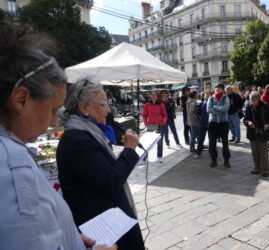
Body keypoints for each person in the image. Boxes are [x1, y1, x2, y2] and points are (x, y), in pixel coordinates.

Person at [0, 21, 115, 250]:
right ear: (22, 99)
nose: (54, 122)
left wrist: (67, 237)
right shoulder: (14, 167)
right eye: (53, 109)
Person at [57, 80, 145, 250]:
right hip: (104, 232)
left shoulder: (90, 134)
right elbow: (111, 181)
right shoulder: (77, 140)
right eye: (103, 104)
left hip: (111, 224)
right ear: (84, 108)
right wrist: (129, 150)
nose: (109, 110)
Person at [244, 91, 269, 177]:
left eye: (254, 100)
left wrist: (268, 124)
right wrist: (249, 122)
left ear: (258, 99)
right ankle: (257, 168)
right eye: (251, 100)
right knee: (255, 152)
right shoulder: (249, 107)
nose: (253, 102)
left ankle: (265, 170)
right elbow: (245, 119)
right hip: (253, 132)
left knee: (263, 152)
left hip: (263, 132)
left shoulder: (265, 106)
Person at [207, 83, 231, 168]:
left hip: (223, 122)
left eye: (220, 87)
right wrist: (219, 112)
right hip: (213, 123)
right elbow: (209, 109)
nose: (218, 88)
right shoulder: (211, 98)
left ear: (223, 89)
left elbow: (226, 108)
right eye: (217, 87)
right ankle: (213, 160)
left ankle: (226, 160)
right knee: (212, 143)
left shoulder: (226, 97)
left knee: (225, 142)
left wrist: (216, 108)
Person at [143, 91, 167, 163]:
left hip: (160, 125)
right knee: (148, 142)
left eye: (154, 95)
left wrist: (163, 122)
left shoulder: (161, 104)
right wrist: (146, 123)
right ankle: (144, 158)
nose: (152, 96)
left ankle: (159, 157)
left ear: (157, 97)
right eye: (151, 95)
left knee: (159, 142)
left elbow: (165, 115)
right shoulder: (147, 105)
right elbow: (144, 115)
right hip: (151, 125)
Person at [194, 89, 212, 159]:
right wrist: (200, 118)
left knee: (211, 139)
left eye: (208, 93)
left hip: (211, 123)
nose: (207, 95)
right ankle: (198, 153)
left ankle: (212, 152)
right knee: (201, 139)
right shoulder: (202, 103)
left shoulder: (213, 102)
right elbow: (198, 113)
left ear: (211, 95)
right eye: (205, 94)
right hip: (203, 124)